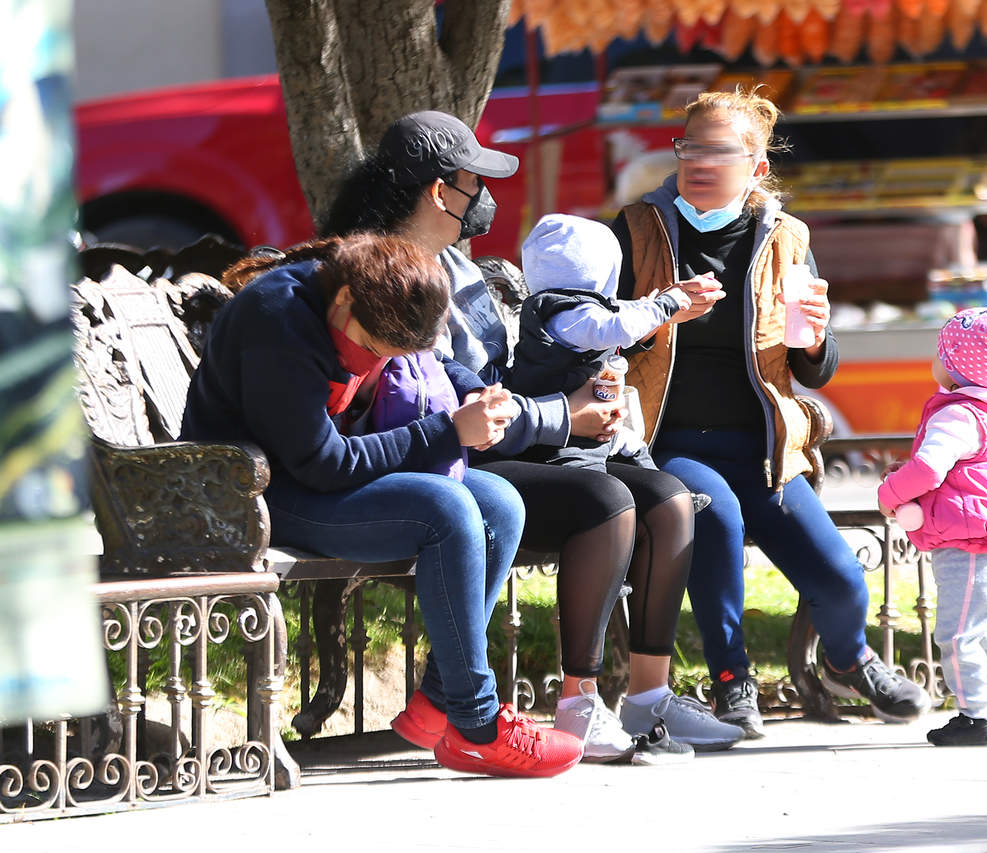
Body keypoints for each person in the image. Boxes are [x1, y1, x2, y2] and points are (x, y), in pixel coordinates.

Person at [323, 110, 743, 761]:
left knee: (668, 498)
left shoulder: (457, 267)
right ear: (440, 192)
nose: (485, 199)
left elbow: (496, 378)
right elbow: (445, 396)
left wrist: (579, 404)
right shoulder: (390, 274)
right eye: (475, 182)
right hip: (453, 452)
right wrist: (563, 414)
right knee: (606, 500)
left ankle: (649, 697)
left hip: (510, 435)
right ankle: (579, 703)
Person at [180, 233, 584, 777]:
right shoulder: (277, 320)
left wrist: (471, 393)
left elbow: (430, 363)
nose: (376, 363)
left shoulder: (365, 304)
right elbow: (324, 463)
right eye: (373, 349)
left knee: (500, 503)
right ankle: (478, 725)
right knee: (446, 509)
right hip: (250, 494)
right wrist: (447, 431)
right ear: (345, 299)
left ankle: (440, 703)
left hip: (311, 479)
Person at [611, 88, 932, 739]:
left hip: (763, 448)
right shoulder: (638, 228)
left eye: (720, 152)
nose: (700, 163)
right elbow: (598, 337)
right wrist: (662, 313)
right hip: (670, 443)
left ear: (756, 167)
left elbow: (817, 367)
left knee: (840, 576)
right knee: (716, 518)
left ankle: (849, 661)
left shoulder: (786, 237)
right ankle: (732, 680)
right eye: (690, 148)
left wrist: (814, 338)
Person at [877, 304, 987, 746]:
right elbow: (959, 475)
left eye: (941, 352)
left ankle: (977, 716)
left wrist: (891, 493)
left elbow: (930, 470)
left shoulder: (956, 416)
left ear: (955, 368)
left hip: (968, 545)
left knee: (957, 635)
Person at [510, 212, 689, 472]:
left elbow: (616, 312)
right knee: (593, 477)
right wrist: (664, 306)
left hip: (590, 421)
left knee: (636, 448)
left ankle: (664, 488)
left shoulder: (569, 309)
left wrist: (644, 307)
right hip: (564, 435)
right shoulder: (571, 316)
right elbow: (617, 327)